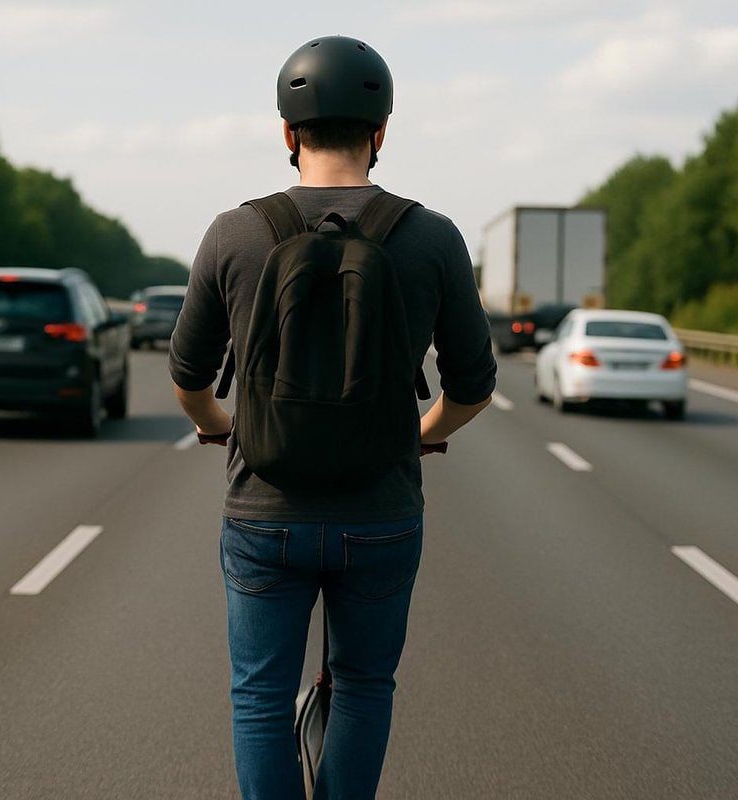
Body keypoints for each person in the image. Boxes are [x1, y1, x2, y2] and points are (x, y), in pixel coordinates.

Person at [169, 34, 496, 800]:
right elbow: (474, 385)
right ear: (381, 132)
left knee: (258, 695)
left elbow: (186, 379)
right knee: (363, 686)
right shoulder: (432, 236)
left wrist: (221, 422)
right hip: (380, 513)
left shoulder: (234, 232)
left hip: (264, 512)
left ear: (288, 133)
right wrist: (418, 435)